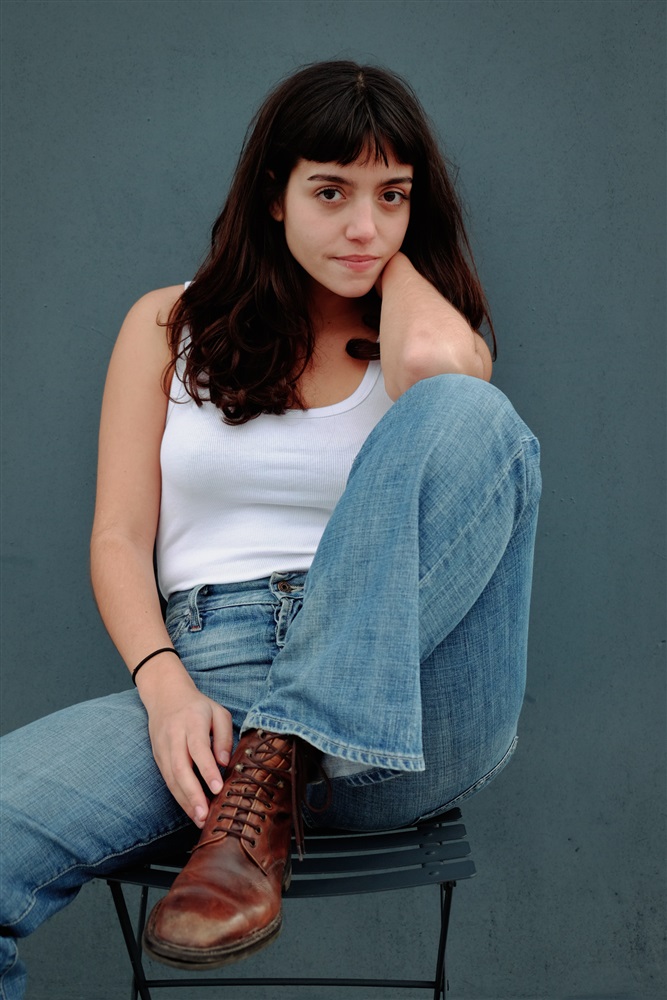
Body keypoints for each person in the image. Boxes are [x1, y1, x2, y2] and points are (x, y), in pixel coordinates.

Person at [0, 60, 541, 994]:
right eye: (330, 192)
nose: (364, 225)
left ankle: (278, 756)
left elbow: (448, 378)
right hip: (212, 690)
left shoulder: (419, 338)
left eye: (392, 195)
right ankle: (266, 766)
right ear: (272, 195)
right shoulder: (165, 324)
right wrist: (165, 690)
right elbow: (118, 537)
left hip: (411, 703)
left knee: (471, 412)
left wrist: (394, 265)